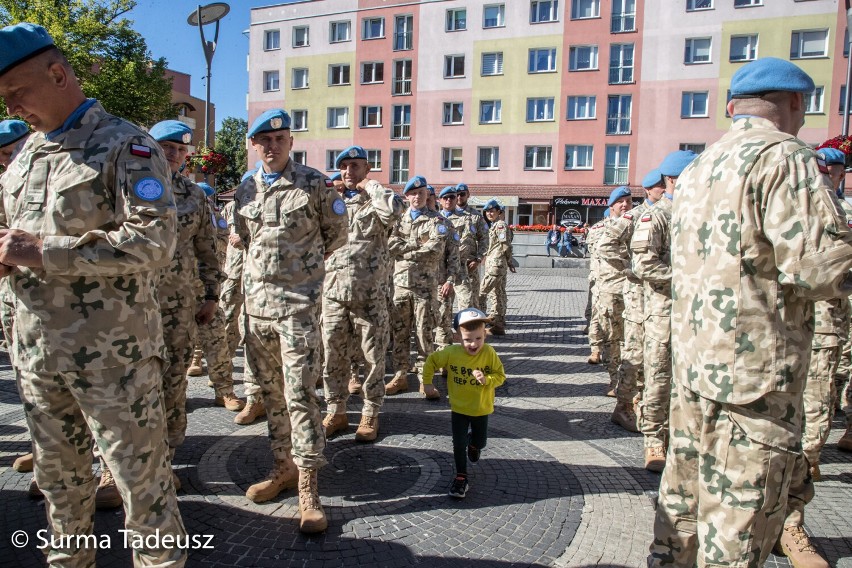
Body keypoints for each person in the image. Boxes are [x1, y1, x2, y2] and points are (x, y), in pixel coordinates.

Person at [649, 57, 852, 568]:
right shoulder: (784, 157)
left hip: (696, 372)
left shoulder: (700, 165)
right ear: (796, 104)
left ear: (733, 107)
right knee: (736, 533)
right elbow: (819, 269)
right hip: (754, 384)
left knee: (683, 519)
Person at [0, 23, 186, 565]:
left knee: (142, 494)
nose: (13, 106)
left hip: (115, 361)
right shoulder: (28, 156)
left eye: (17, 94)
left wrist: (42, 251)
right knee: (62, 493)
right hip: (37, 356)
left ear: (57, 74)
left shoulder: (125, 144)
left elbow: (155, 241)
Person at [233, 108, 347, 532]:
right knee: (271, 394)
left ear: (291, 142)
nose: (272, 145)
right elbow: (244, 241)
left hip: (297, 309)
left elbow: (336, 235)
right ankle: (282, 467)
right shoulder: (245, 188)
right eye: (264, 139)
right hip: (256, 310)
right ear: (254, 144)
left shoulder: (314, 183)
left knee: (301, 395)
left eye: (279, 139)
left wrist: (304, 277)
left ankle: (308, 488)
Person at [145, 121, 225, 493]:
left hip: (177, 306)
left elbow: (207, 248)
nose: (173, 154)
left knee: (173, 383)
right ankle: (114, 466)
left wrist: (211, 295)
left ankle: (166, 459)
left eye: (180, 149)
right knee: (123, 384)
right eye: (166, 146)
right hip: (124, 307)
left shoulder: (194, 194)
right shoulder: (124, 183)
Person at [321, 146, 404, 441]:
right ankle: (337, 410)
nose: (349, 171)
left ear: (367, 170)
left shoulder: (378, 203)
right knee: (332, 355)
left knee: (373, 357)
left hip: (369, 295)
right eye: (344, 166)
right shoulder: (333, 203)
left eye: (356, 166)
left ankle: (370, 412)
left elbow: (394, 211)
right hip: (332, 294)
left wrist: (371, 186)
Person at [632, 150, 697, 471]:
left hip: (698, 317)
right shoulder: (656, 216)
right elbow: (643, 263)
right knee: (658, 376)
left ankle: (685, 437)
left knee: (691, 380)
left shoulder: (702, 214)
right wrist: (685, 280)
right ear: (672, 180)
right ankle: (654, 440)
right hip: (664, 313)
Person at [421, 307, 506, 499]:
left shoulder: (489, 353)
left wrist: (487, 380)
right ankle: (461, 477)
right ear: (457, 337)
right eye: (468, 339)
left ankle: (474, 445)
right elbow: (431, 362)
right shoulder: (451, 353)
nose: (473, 344)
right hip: (458, 408)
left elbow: (500, 376)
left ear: (484, 335)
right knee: (458, 444)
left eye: (478, 338)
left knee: (480, 442)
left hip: (481, 409)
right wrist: (427, 383)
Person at [387, 175, 450, 395]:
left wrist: (406, 248)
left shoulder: (437, 220)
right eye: (413, 193)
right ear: (407, 196)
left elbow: (435, 249)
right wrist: (415, 247)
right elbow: (390, 244)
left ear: (427, 195)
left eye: (421, 193)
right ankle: (400, 376)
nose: (417, 197)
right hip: (401, 286)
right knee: (400, 333)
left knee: (425, 333)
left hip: (425, 287)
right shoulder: (397, 219)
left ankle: (426, 378)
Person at [592, 186, 633, 397]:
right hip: (609, 288)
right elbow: (599, 252)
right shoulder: (600, 229)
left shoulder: (635, 225)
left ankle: (626, 381)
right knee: (612, 338)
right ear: (612, 205)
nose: (625, 205)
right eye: (620, 201)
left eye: (628, 201)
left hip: (631, 289)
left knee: (630, 338)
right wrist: (630, 262)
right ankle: (614, 378)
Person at [479, 199, 515, 335]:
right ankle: (498, 324)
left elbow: (505, 245)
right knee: (498, 293)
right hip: (496, 264)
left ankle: (479, 324)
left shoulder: (500, 225)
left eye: (492, 211)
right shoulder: (494, 225)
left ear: (499, 212)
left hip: (496, 265)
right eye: (487, 212)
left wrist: (510, 261)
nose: (489, 213)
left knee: (481, 294)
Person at [435, 185, 464, 351]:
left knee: (443, 319)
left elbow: (454, 256)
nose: (448, 200)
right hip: (421, 282)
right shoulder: (432, 221)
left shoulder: (450, 224)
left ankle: (445, 357)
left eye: (452, 197)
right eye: (445, 198)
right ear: (440, 200)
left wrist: (449, 280)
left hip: (443, 279)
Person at [455, 183, 489, 310]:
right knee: (445, 302)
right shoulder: (445, 215)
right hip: (450, 264)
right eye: (457, 194)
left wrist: (478, 259)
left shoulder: (476, 216)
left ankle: (472, 328)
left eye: (462, 194)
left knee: (472, 300)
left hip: (470, 264)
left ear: (468, 195)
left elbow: (484, 239)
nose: (459, 197)